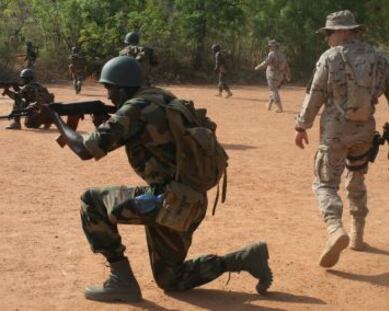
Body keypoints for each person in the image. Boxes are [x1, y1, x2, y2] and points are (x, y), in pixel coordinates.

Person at [43, 56, 272, 303]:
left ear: (121, 87)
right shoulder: (163, 97)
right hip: (189, 202)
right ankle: (243, 259)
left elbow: (85, 150)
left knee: (92, 202)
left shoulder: (134, 109)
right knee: (170, 279)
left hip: (166, 201)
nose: (109, 96)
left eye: (109, 89)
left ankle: (121, 282)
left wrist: (55, 117)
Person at [294, 10, 389, 268]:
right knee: (356, 176)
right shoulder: (379, 58)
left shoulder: (329, 58)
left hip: (335, 133)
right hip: (365, 132)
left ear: (343, 31)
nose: (327, 38)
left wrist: (301, 125)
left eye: (329, 32)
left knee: (324, 183)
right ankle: (357, 235)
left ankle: (334, 228)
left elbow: (316, 94)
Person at [255, 40, 290, 112]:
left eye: (270, 46)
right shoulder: (282, 54)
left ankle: (279, 108)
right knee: (274, 90)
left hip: (272, 74)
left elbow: (266, 62)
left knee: (273, 90)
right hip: (280, 75)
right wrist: (287, 74)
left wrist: (258, 67)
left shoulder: (272, 54)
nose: (269, 48)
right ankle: (269, 104)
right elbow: (286, 65)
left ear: (273, 47)